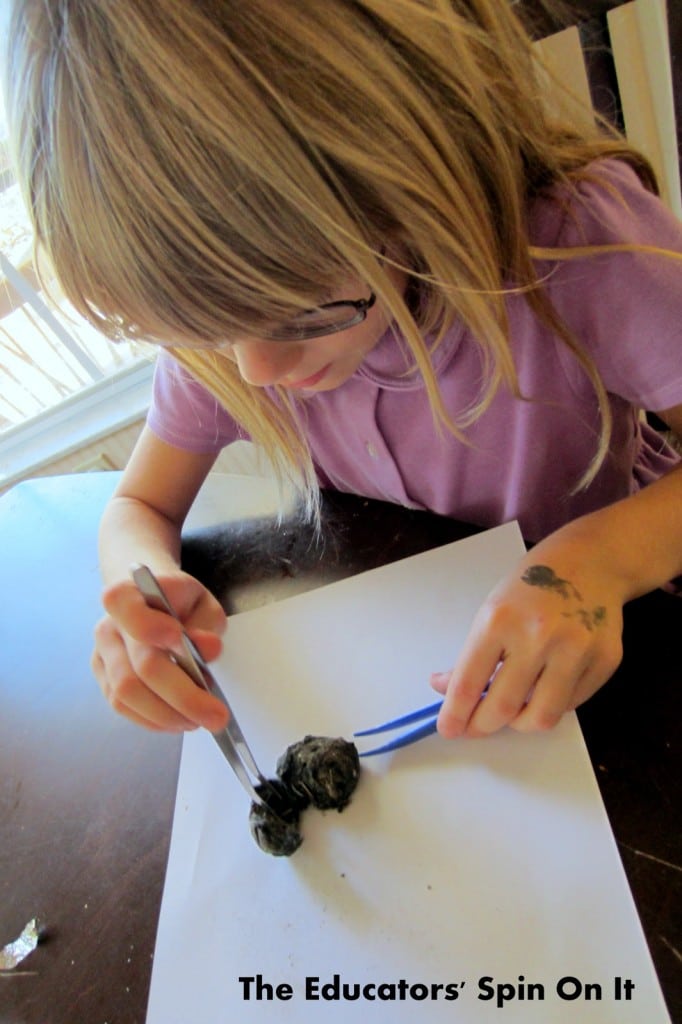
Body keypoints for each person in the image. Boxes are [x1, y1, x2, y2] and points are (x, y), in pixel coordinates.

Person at [6, 0, 681, 741]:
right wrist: (137, 591)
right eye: (204, 336)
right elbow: (139, 508)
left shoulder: (582, 251)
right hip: (403, 637)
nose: (256, 371)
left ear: (412, 172)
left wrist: (600, 564)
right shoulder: (235, 330)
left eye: (302, 314)